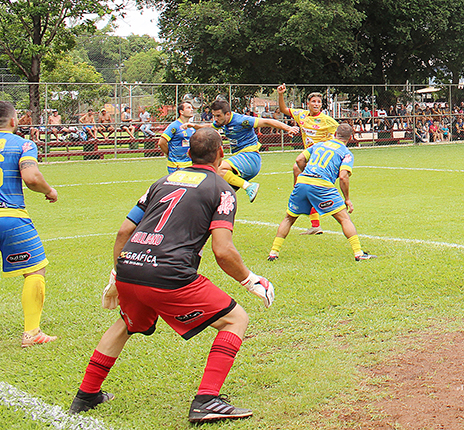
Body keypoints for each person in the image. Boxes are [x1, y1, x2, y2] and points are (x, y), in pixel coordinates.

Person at [68, 128, 274, 422]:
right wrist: (250, 280)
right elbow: (223, 250)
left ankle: (86, 395)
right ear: (221, 154)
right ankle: (207, 400)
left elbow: (125, 231)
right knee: (235, 318)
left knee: (126, 322)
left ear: (188, 154)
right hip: (170, 273)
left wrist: (117, 273)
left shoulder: (161, 182)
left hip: (131, 265)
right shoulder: (222, 189)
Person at [268, 123, 375, 262]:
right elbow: (343, 176)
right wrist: (347, 198)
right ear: (351, 137)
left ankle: (273, 252)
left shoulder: (319, 145)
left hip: (302, 182)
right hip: (322, 185)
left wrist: (307, 171)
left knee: (289, 218)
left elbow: (299, 159)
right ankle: (358, 253)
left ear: (335, 134)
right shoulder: (346, 153)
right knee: (344, 219)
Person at [0, 101, 59, 347]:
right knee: (34, 270)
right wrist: (50, 190)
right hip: (11, 218)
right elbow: (31, 177)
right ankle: (31, 333)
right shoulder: (23, 144)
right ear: (14, 122)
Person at [188, 99, 299, 202]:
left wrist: (288, 128)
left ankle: (249, 186)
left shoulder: (241, 120)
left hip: (250, 157)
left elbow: (267, 122)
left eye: (218, 116)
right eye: (214, 116)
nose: (215, 119)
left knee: (218, 168)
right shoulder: (221, 122)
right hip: (239, 159)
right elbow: (210, 126)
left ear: (228, 114)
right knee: (219, 195)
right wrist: (194, 126)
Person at [277, 84, 339, 234]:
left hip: (319, 157)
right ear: (308, 103)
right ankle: (315, 224)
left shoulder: (327, 120)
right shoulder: (302, 115)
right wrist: (280, 95)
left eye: (319, 102)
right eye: (314, 102)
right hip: (308, 155)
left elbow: (340, 135)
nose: (316, 104)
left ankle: (301, 195)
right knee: (300, 175)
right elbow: (284, 110)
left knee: (301, 176)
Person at [159, 101, 196, 174]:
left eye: (192, 108)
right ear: (181, 112)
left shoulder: (191, 127)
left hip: (190, 164)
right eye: (188, 108)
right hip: (177, 165)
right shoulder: (174, 126)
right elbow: (161, 143)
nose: (191, 110)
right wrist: (169, 154)